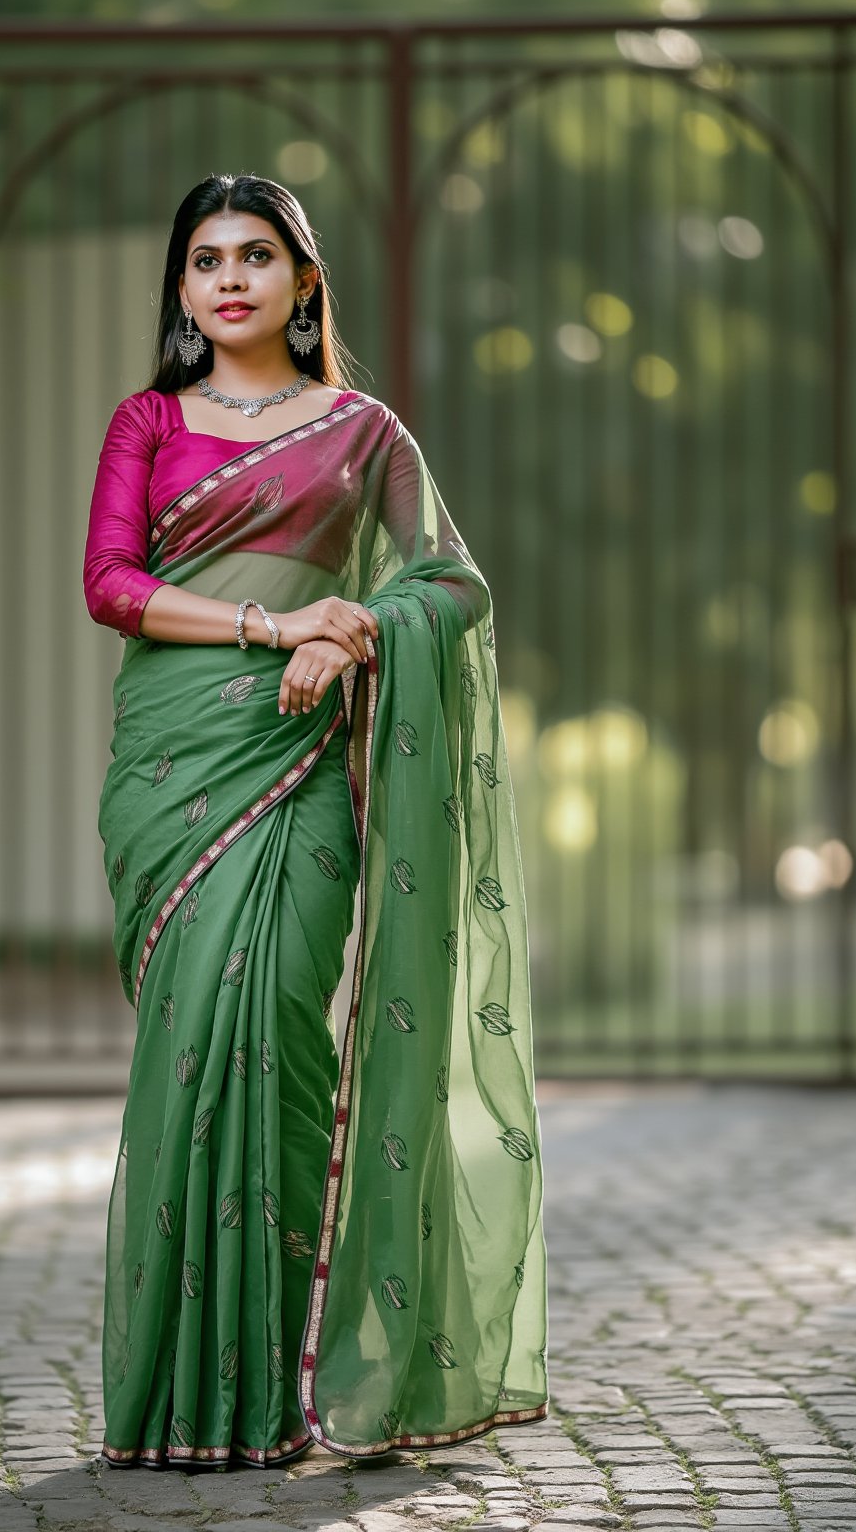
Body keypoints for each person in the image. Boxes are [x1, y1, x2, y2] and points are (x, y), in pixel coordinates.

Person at [83, 171, 547, 1472]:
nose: (227, 278)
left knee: (281, 1040)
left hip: (299, 771)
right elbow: (109, 583)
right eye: (203, 260)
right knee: (186, 1055)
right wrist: (279, 621)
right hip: (173, 766)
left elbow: (452, 580)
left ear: (302, 282)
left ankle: (274, 1389)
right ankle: (177, 1403)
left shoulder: (363, 432)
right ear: (182, 289)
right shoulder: (148, 423)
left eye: (255, 256)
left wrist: (360, 632)